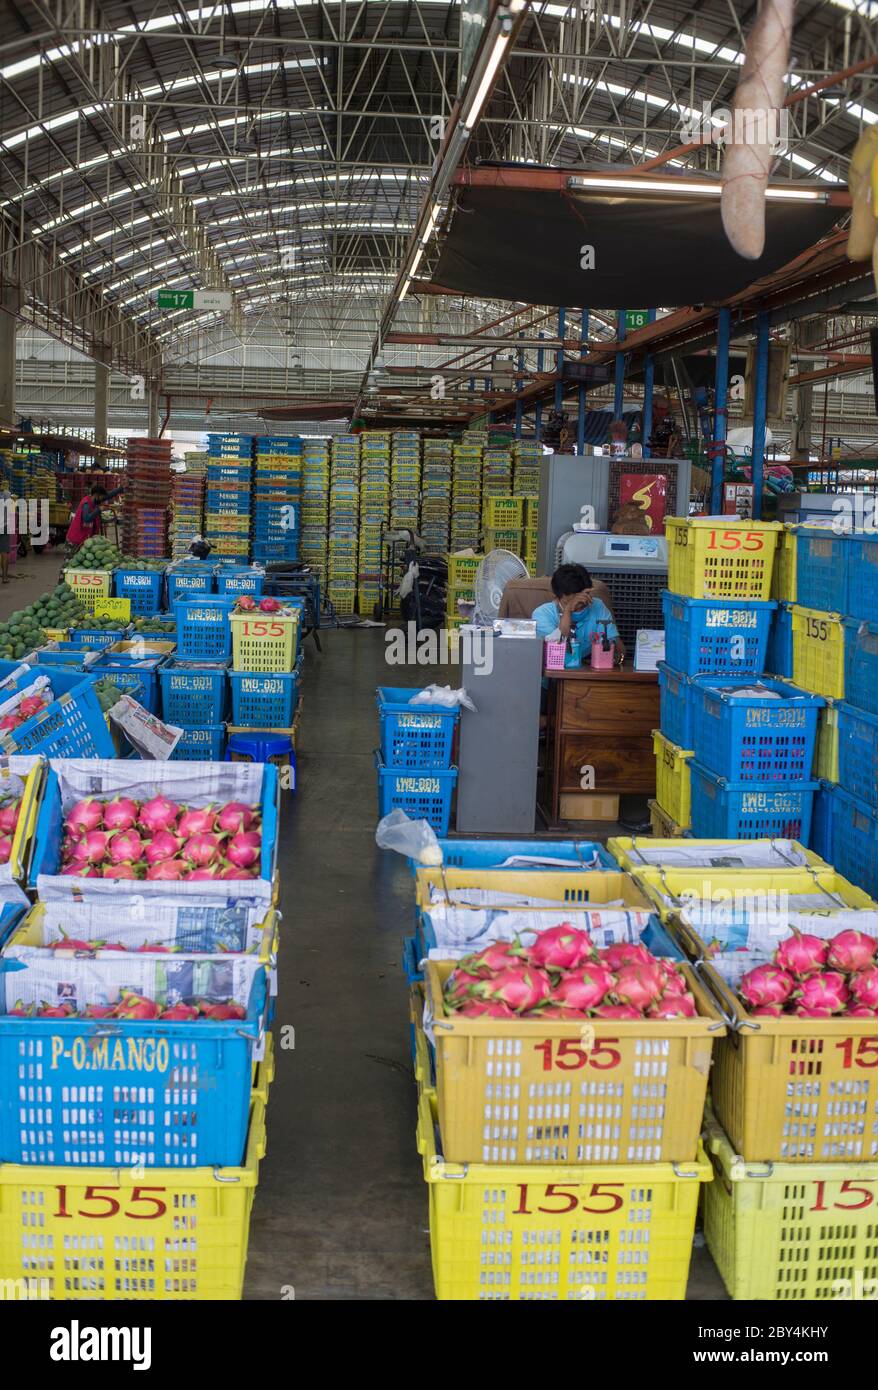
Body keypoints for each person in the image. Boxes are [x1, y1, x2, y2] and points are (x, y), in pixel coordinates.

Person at [531, 562, 621, 660]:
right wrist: (568, 610)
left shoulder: (597, 606)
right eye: (573, 599)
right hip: (556, 670)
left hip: (591, 668)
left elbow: (613, 647)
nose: (580, 603)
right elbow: (556, 648)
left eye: (584, 597)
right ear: (557, 596)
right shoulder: (542, 614)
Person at [66, 481, 123, 551]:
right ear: (96, 495)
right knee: (72, 561)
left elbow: (108, 495)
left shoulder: (94, 501)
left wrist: (121, 489)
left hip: (83, 539)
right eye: (101, 497)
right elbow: (86, 519)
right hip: (75, 540)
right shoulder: (86, 504)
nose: (102, 500)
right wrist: (98, 509)